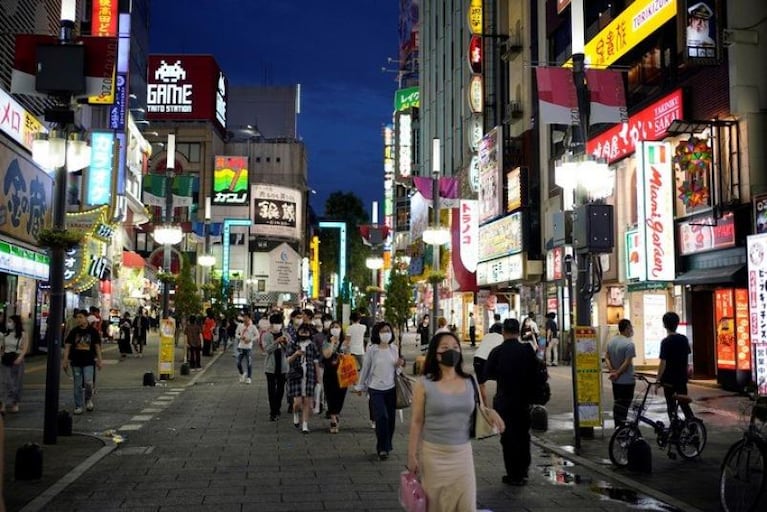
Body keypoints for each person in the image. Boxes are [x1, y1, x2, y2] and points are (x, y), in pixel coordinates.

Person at [407, 331, 504, 512]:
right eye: (444, 348)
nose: (451, 351)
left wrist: (491, 413)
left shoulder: (470, 380)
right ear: (435, 354)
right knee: (437, 507)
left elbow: (480, 409)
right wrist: (412, 455)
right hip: (433, 456)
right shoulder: (423, 384)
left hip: (462, 456)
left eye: (455, 347)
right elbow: (417, 421)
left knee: (467, 506)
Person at [485, 318, 538, 486]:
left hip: (504, 402)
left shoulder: (497, 351)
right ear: (518, 332)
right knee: (523, 435)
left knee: (507, 438)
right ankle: (523, 472)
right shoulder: (527, 350)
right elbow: (536, 371)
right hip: (524, 401)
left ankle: (512, 474)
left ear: (503, 332)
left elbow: (487, 373)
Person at [353, 321, 405, 460]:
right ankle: (382, 447)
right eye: (383, 331)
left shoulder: (394, 348)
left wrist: (399, 365)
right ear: (377, 333)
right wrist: (360, 386)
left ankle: (387, 444)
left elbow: (397, 371)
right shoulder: (372, 349)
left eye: (388, 330)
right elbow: (365, 369)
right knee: (381, 417)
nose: (386, 333)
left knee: (391, 420)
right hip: (375, 389)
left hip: (391, 388)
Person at [656, 312, 695, 422]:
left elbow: (663, 363)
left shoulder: (665, 342)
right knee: (684, 404)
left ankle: (675, 430)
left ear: (664, 325)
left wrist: (658, 379)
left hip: (669, 380)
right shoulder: (683, 339)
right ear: (677, 324)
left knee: (671, 406)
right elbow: (687, 356)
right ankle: (693, 428)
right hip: (681, 378)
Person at [62, 310, 103, 414]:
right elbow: (68, 346)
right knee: (78, 384)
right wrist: (65, 360)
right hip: (76, 361)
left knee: (88, 382)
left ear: (86, 318)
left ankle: (88, 399)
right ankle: (78, 405)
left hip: (89, 360)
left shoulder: (93, 331)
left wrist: (99, 360)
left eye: (80, 317)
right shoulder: (74, 331)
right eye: (77, 317)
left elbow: (97, 346)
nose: (78, 319)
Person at [286, 322, 320, 432]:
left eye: (306, 332)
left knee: (307, 402)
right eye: (302, 331)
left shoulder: (312, 345)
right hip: (296, 375)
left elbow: (316, 362)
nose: (304, 333)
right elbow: (288, 360)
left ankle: (305, 425)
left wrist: (318, 378)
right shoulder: (292, 344)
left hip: (309, 375)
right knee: (297, 402)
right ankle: (295, 413)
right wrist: (296, 354)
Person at [605, 319, 636, 425]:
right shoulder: (629, 344)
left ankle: (618, 428)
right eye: (631, 327)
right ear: (627, 328)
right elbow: (627, 363)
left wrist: (612, 371)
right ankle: (622, 430)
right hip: (627, 381)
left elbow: (607, 358)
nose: (632, 330)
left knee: (617, 405)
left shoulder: (611, 342)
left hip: (616, 382)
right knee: (624, 407)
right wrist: (617, 373)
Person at [321, 320, 349, 433]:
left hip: (342, 373)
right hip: (329, 373)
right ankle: (333, 419)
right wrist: (332, 343)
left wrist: (344, 352)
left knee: (340, 396)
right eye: (333, 327)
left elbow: (349, 356)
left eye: (337, 327)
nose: (335, 329)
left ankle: (336, 413)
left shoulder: (345, 341)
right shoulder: (326, 341)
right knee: (330, 395)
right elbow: (326, 355)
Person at [262, 312, 289, 421]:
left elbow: (290, 349)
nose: (278, 325)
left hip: (283, 367)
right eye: (275, 323)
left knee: (281, 389)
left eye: (279, 323)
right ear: (271, 324)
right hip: (270, 367)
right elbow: (267, 350)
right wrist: (276, 342)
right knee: (271, 390)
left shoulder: (285, 334)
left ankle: (277, 407)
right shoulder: (266, 335)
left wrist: (285, 343)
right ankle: (273, 411)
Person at [471, 322, 504, 405]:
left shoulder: (486, 336)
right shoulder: (502, 337)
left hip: (478, 359)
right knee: (501, 380)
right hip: (492, 360)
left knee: (481, 384)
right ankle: (498, 401)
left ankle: (484, 406)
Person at [1, 315, 28, 413]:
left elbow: (25, 348)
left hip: (17, 358)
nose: (9, 323)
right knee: (5, 382)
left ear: (16, 323)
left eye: (10, 321)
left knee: (16, 382)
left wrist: (20, 357)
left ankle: (15, 402)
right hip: (6, 359)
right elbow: (3, 348)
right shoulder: (5, 334)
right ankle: (3, 404)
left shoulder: (23, 334)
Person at [235, 313, 258, 384]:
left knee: (249, 363)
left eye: (247, 318)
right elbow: (236, 334)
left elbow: (257, 335)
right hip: (241, 347)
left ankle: (249, 377)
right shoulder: (240, 326)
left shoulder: (253, 327)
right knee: (238, 362)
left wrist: (250, 339)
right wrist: (240, 337)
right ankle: (242, 374)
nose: (245, 319)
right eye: (244, 317)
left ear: (249, 319)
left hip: (248, 347)